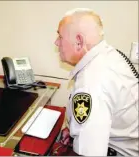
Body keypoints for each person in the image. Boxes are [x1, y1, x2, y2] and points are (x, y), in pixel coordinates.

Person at [50, 8, 139, 156]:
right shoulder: (109, 55)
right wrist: (74, 130)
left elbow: (90, 154)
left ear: (79, 42)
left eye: (60, 36)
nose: (56, 42)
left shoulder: (91, 82)